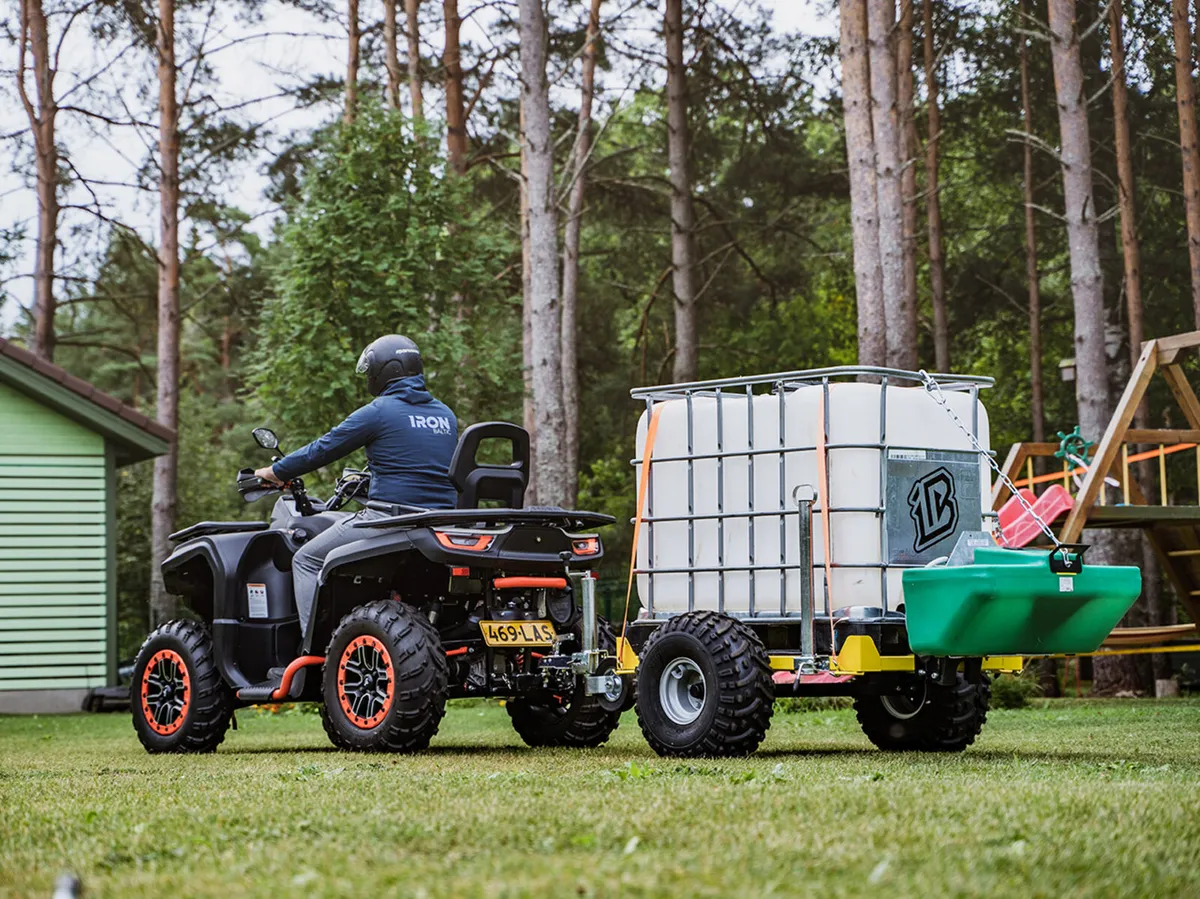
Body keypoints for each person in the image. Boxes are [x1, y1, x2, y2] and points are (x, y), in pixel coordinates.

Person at [255, 335, 458, 640]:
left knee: (306, 559)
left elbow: (321, 449)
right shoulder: (445, 415)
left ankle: (317, 650)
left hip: (388, 520)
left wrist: (273, 472)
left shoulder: (379, 411)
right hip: (441, 523)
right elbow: (422, 464)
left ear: (383, 371)